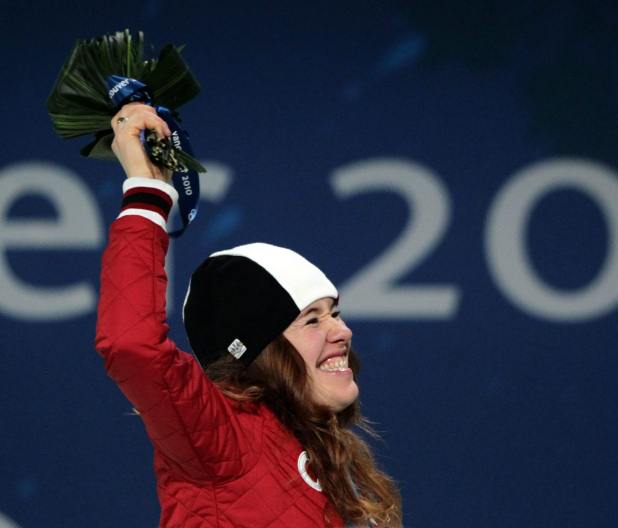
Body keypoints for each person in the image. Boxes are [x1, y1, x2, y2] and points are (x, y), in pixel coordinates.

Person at [94, 103, 402, 527]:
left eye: (334, 312)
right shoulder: (222, 438)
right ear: (258, 350)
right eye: (312, 320)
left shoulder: (308, 449)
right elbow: (130, 343)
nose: (342, 331)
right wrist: (148, 197)